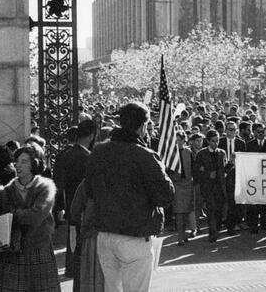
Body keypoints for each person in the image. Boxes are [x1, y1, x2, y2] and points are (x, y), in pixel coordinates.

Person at [86, 102, 175, 292]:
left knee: (112, 289)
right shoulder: (145, 155)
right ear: (143, 126)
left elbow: (89, 190)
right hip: (134, 235)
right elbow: (166, 197)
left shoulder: (99, 151)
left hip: (105, 233)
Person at [0, 145, 60, 292]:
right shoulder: (4, 192)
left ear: (35, 164)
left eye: (24, 161)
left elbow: (35, 216)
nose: (18, 165)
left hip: (39, 254)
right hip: (12, 256)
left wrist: (9, 216)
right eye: (17, 161)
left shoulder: (46, 188)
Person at [55, 120, 97, 278]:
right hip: (84, 206)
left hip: (69, 203)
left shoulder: (65, 155)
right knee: (81, 240)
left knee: (72, 238)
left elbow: (58, 183)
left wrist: (60, 207)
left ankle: (70, 267)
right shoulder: (88, 157)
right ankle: (77, 268)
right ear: (92, 136)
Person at [194, 130, 228, 242]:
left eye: (217, 141)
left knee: (219, 211)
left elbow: (225, 169)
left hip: (220, 187)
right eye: (213, 141)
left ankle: (216, 229)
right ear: (208, 141)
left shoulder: (222, 153)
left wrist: (231, 163)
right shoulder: (201, 154)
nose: (216, 143)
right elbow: (197, 170)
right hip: (208, 187)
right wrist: (208, 174)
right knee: (211, 210)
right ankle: (212, 233)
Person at [170, 133, 199, 246]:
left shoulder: (189, 152)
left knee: (187, 211)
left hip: (188, 184)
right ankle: (180, 237)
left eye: (179, 140)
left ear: (183, 140)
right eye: (175, 141)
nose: (177, 143)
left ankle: (185, 234)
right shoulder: (171, 154)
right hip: (177, 184)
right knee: (179, 213)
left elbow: (194, 167)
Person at [245, 123, 266, 234]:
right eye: (258, 131)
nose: (261, 133)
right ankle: (254, 225)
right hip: (254, 177)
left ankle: (264, 223)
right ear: (255, 132)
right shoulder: (249, 144)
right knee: (254, 202)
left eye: (263, 131)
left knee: (264, 201)